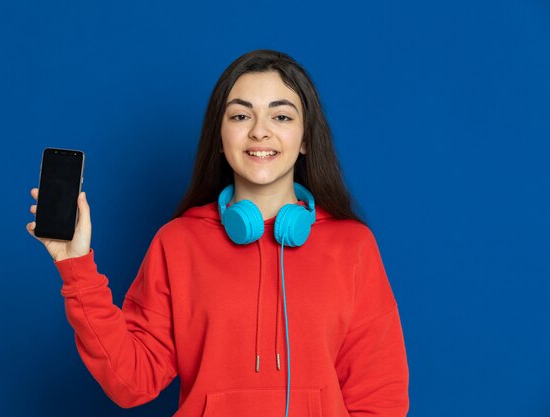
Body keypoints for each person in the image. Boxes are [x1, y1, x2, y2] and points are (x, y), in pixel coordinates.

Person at [27, 49, 409, 417]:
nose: (260, 132)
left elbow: (381, 398)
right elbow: (131, 381)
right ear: (220, 138)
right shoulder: (178, 242)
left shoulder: (352, 246)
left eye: (281, 117)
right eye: (241, 116)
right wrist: (74, 265)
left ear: (306, 138)